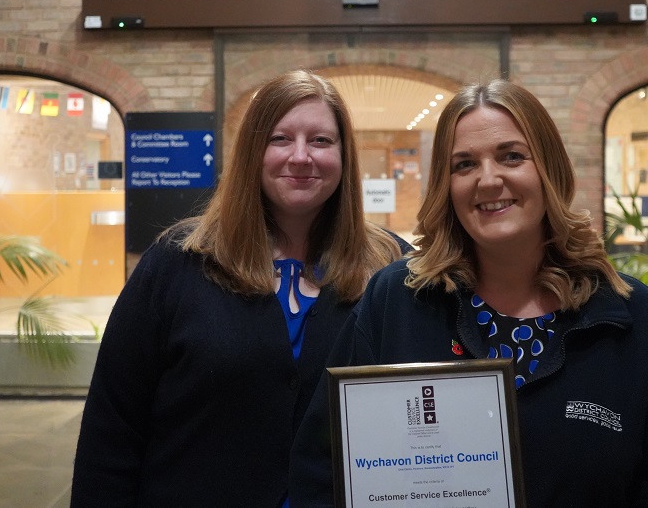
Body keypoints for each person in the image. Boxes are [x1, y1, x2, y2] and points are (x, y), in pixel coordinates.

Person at [289, 79, 648, 507]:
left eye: (511, 156)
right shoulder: (397, 302)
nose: (488, 179)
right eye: (464, 164)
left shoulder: (629, 316)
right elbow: (324, 466)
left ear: (549, 169)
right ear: (446, 186)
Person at [71, 70, 410, 507]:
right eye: (280, 139)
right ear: (252, 152)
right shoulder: (178, 261)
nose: (301, 156)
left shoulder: (390, 267)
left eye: (321, 140)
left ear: (344, 155)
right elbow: (113, 426)